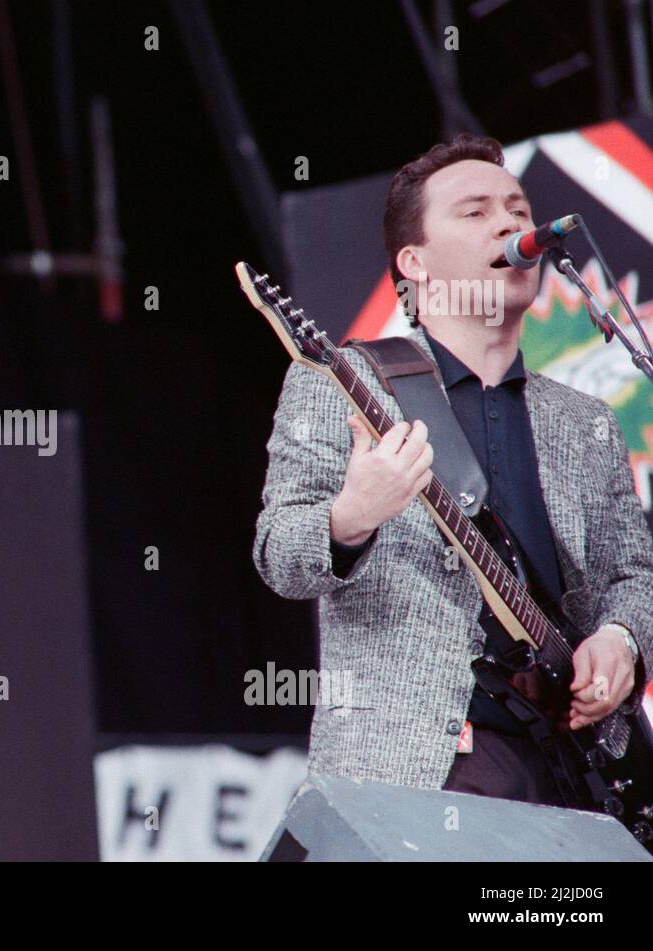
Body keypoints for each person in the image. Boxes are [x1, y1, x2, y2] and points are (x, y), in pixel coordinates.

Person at [253, 133, 653, 807]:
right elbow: (279, 554)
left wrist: (621, 641)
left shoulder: (583, 420)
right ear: (415, 263)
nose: (510, 224)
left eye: (517, 209)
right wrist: (352, 515)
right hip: (419, 770)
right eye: (475, 211)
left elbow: (632, 574)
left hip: (575, 772)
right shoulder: (338, 382)